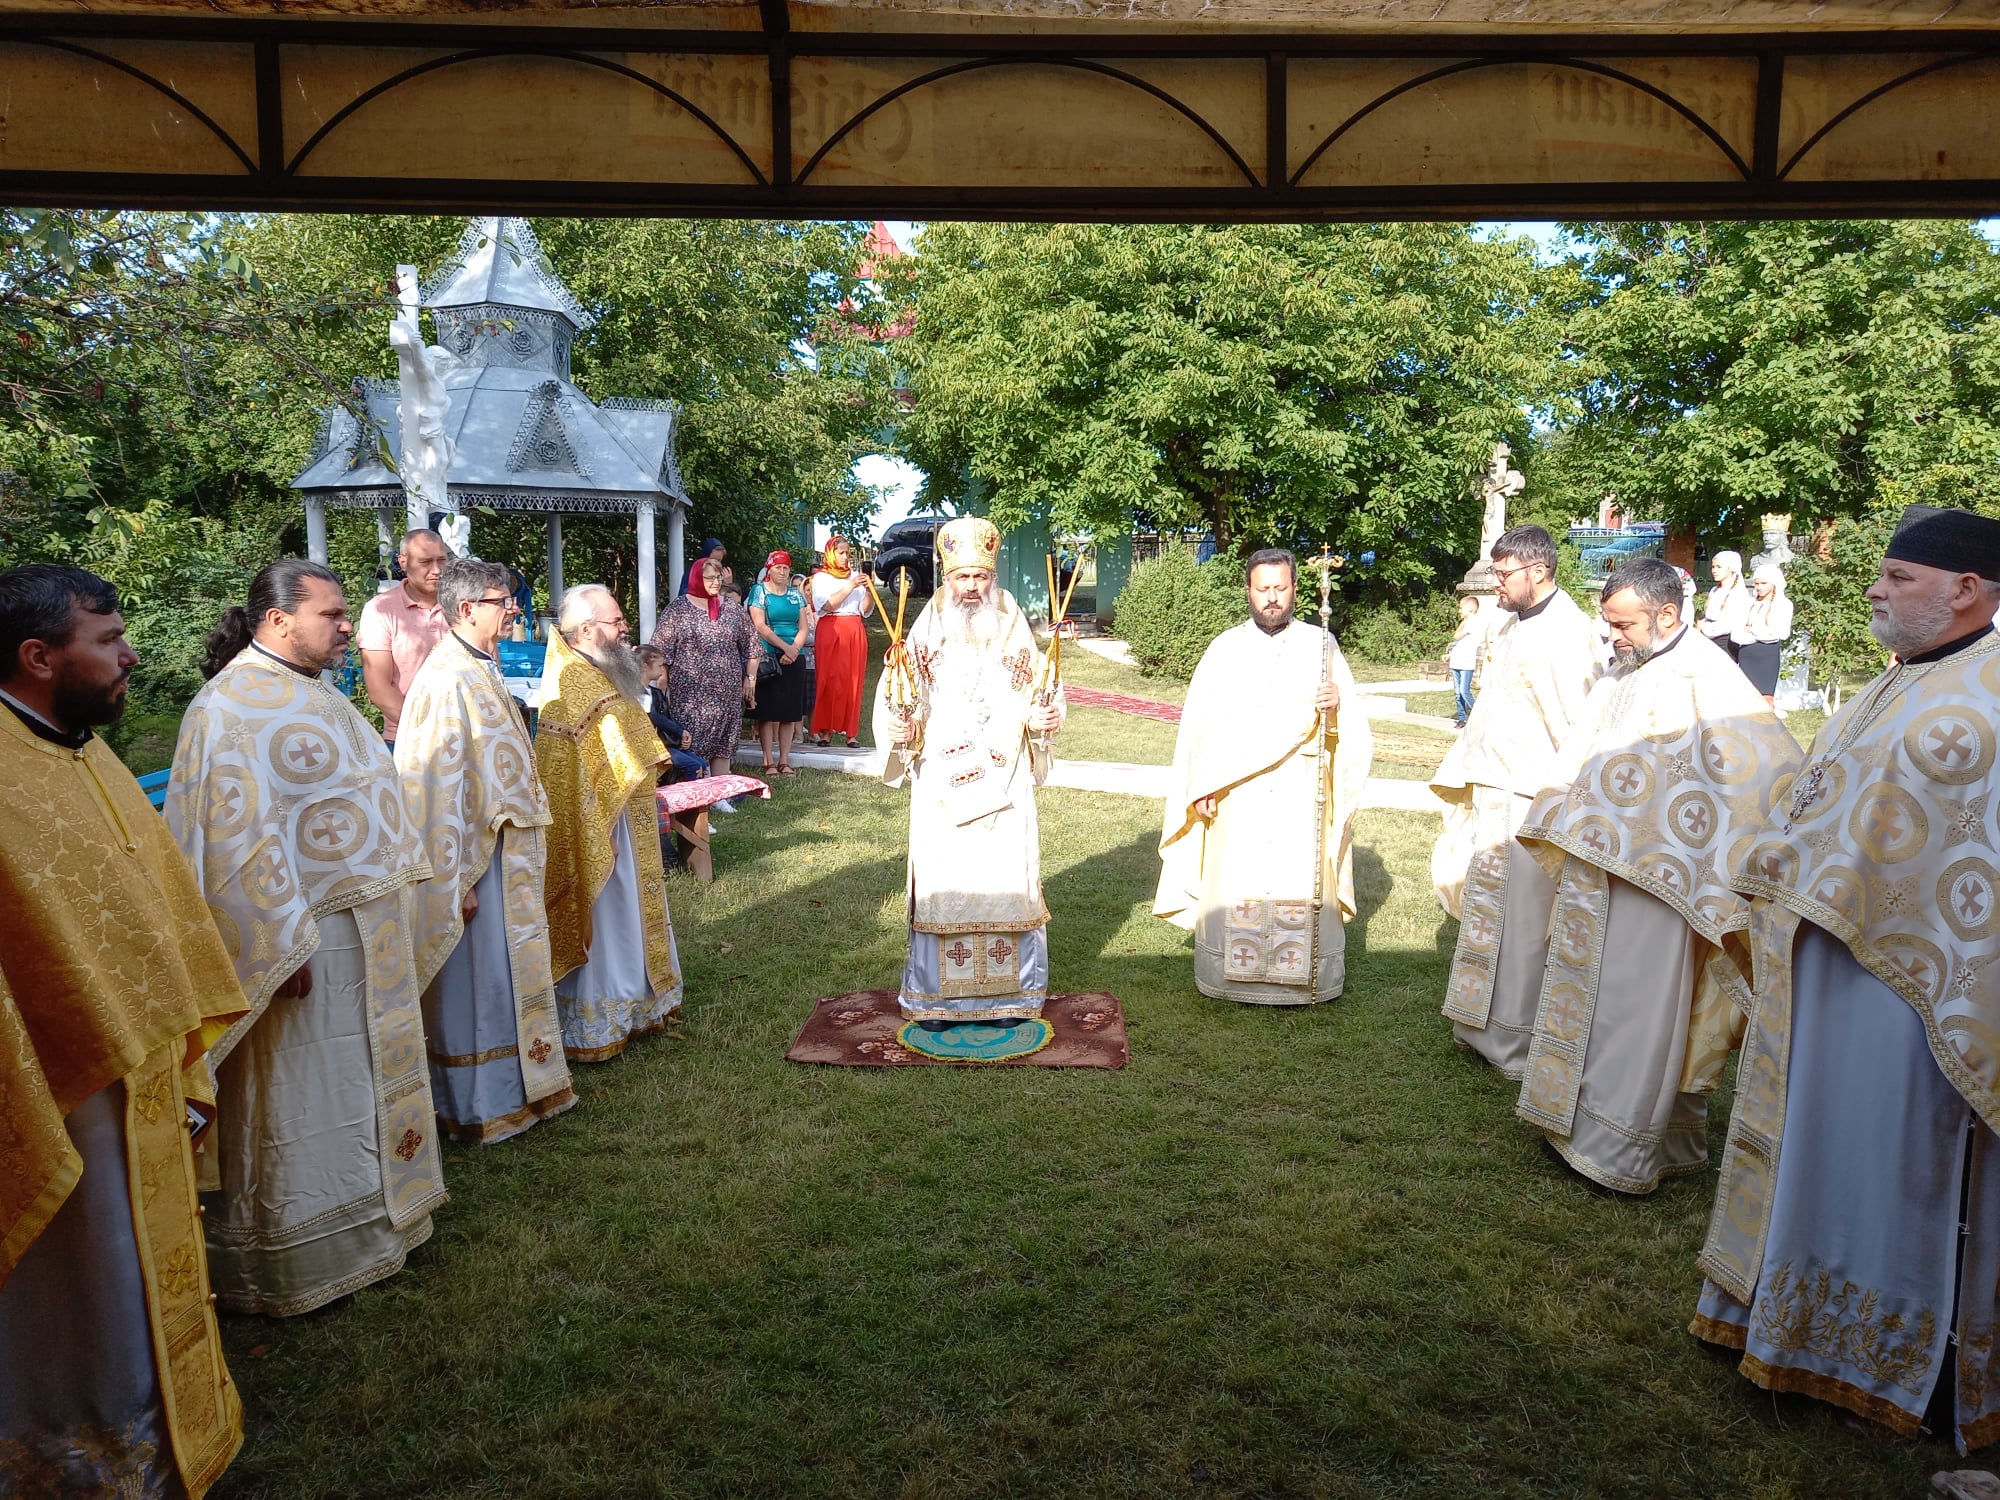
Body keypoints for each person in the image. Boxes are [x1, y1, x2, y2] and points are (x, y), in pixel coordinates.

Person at [1695, 505, 2000, 1448]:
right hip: (1829, 969)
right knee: (1823, 1148)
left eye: (1898, 577)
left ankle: (1891, 1360)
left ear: (1967, 590)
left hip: (1919, 995)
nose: (1875, 588)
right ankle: (1787, 1322)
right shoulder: (1909, 673)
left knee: (1896, 1167)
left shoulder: (1989, 690)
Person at [0, 564, 246, 1498]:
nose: (131, 653)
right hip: (56, 1090)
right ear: (38, 656)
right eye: (107, 640)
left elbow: (152, 903)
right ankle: (84, 1458)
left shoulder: (82, 749)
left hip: (136, 1062)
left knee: (139, 1270)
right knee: (83, 1287)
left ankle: (160, 1433)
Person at [167, 558, 445, 1316]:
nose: (348, 626)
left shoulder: (313, 691)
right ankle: (295, 1258)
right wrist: (273, 946)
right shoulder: (227, 708)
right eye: (333, 614)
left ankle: (385, 1226)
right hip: (301, 945)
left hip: (365, 934)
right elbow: (229, 841)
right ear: (277, 619)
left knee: (358, 1086)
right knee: (306, 1097)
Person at [1509, 558, 1803, 1192]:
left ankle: (1620, 1152)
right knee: (1595, 999)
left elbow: (1768, 767)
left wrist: (1698, 848)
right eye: (1609, 621)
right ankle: (1576, 1127)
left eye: (1623, 623)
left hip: (1663, 882)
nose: (1612, 634)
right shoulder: (1633, 668)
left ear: (1667, 614)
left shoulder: (1706, 674)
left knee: (1638, 1011)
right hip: (1604, 868)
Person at [396, 558, 576, 1145]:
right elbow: (436, 784)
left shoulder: (477, 665)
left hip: (503, 856)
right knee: (478, 984)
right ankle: (477, 1104)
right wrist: (458, 879)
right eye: (503, 601)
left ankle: (519, 1087)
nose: (514, 610)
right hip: (474, 861)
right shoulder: (448, 677)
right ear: (468, 608)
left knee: (503, 978)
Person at [1153, 549, 1374, 1005]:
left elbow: (1348, 732)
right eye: (1263, 589)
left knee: (1297, 875)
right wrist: (1203, 786)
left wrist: (1336, 708)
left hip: (1300, 787)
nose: (1272, 598)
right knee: (1241, 875)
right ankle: (1233, 978)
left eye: (1281, 588)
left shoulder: (1322, 645)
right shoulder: (1225, 648)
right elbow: (1201, 726)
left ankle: (1300, 977)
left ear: (1295, 589)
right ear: (1248, 591)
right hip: (1239, 795)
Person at [875, 516, 1063, 1026]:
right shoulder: (925, 626)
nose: (972, 588)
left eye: (980, 576)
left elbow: (1038, 688)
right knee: (945, 885)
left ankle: (1010, 998)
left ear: (992, 573)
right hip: (944, 781)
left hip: (1004, 781)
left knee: (1004, 882)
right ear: (946, 575)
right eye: (962, 578)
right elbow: (901, 692)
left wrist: (1044, 718)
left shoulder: (1012, 621)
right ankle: (937, 1000)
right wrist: (901, 724)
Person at [1432, 524, 1602, 1076]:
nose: (1496, 584)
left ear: (1537, 570)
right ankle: (1477, 1026)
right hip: (1495, 790)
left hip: (1535, 798)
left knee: (1528, 926)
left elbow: (1578, 727)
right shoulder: (1509, 624)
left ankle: (1516, 1043)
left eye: (1504, 574)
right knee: (1489, 912)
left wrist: (1565, 804)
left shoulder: (1568, 633)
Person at [538, 584, 686, 1061]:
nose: (625, 630)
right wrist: (598, 831)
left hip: (624, 813)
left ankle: (637, 1006)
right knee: (610, 918)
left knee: (630, 915)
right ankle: (599, 1022)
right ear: (586, 629)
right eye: (616, 622)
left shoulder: (597, 669)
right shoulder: (576, 680)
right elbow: (579, 770)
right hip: (601, 823)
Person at [650, 556, 758, 802]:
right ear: (697, 578)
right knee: (693, 739)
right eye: (709, 577)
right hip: (690, 692)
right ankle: (695, 794)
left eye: (719, 577)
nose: (715, 582)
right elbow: (661, 650)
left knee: (724, 741)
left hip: (727, 690)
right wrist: (662, 684)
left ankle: (720, 797)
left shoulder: (731, 610)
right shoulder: (678, 609)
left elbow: (752, 646)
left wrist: (750, 679)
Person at [357, 528, 451, 749]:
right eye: (425, 562)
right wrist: (427, 731)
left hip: (465, 738)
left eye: (442, 560)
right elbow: (379, 688)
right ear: (403, 562)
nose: (436, 570)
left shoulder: (463, 605)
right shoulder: (381, 610)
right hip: (407, 740)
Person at [747, 550, 812, 776]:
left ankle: (784, 760)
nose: (783, 572)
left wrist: (794, 650)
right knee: (768, 711)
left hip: (794, 654)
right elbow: (759, 625)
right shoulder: (759, 591)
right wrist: (785, 648)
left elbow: (804, 626)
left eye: (786, 568)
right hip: (769, 655)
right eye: (778, 568)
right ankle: (768, 760)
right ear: (769, 569)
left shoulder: (796, 595)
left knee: (789, 711)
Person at [808, 535, 873, 748]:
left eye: (848, 553)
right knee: (829, 679)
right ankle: (826, 730)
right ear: (831, 553)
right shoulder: (821, 578)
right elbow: (826, 605)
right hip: (831, 628)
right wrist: (851, 585)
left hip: (853, 627)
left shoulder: (855, 576)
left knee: (852, 679)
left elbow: (864, 609)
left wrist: (869, 590)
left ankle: (851, 733)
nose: (845, 557)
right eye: (841, 553)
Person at [638, 644, 709, 783]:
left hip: (666, 744)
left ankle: (708, 799)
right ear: (645, 666)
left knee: (701, 763)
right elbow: (655, 717)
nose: (662, 669)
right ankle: (689, 800)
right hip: (651, 747)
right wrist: (679, 732)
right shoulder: (636, 692)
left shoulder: (656, 693)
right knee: (692, 765)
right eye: (659, 666)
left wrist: (683, 733)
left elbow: (666, 717)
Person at [1733, 560, 1793, 705]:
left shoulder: (1783, 604)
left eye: (1763, 583)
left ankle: (1767, 727)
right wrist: (1759, 633)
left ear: (1774, 583)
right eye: (1757, 584)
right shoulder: (1749, 603)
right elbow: (1737, 632)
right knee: (1745, 696)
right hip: (1747, 653)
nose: (1759, 587)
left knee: (1766, 698)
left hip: (1767, 656)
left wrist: (1752, 629)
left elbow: (1778, 634)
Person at [1697, 549, 1749, 662]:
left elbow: (1728, 624)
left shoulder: (1738, 593)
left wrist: (1704, 628)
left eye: (1719, 567)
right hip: (1707, 641)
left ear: (1731, 568)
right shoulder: (1714, 590)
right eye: (1713, 567)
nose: (1714, 570)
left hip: (1724, 644)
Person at [1446, 594, 1485, 727]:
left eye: (1461, 608)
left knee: (1464, 691)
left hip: (1466, 663)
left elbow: (1456, 636)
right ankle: (1462, 718)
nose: (1459, 611)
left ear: (1470, 609)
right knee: (1458, 693)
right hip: (1457, 660)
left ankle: (1477, 715)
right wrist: (1450, 655)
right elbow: (1461, 643)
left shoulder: (1473, 623)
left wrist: (1463, 622)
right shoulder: (1468, 622)